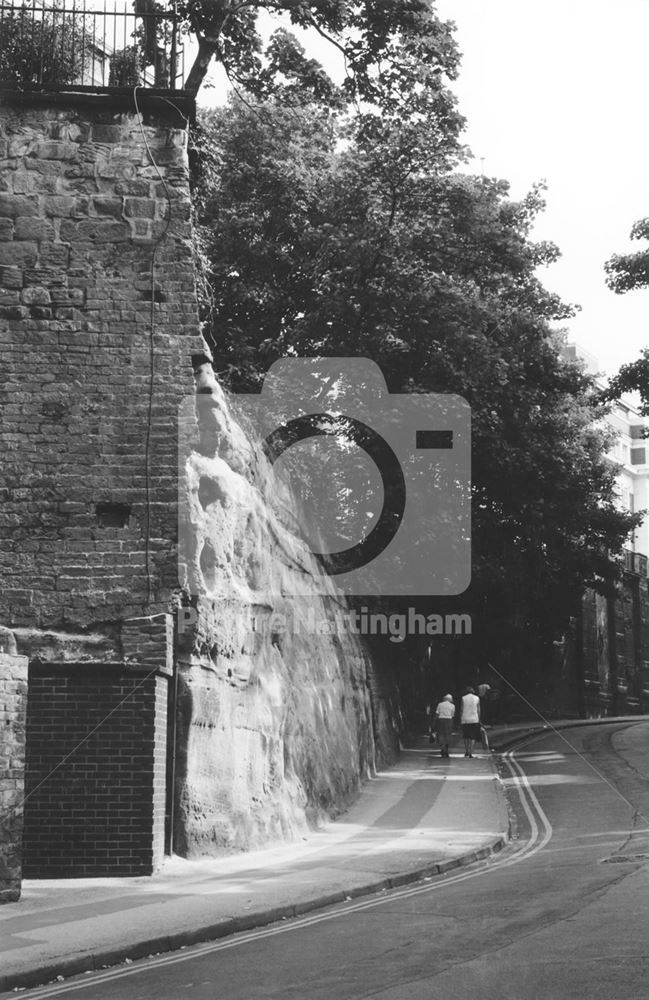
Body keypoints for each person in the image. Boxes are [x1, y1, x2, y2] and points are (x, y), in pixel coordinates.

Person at [460, 686, 481, 758]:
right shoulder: (477, 698)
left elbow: (462, 709)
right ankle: (470, 753)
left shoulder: (463, 698)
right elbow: (478, 710)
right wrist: (479, 719)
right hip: (474, 719)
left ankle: (466, 751)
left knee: (466, 736)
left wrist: (461, 719)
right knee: (473, 737)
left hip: (465, 719)